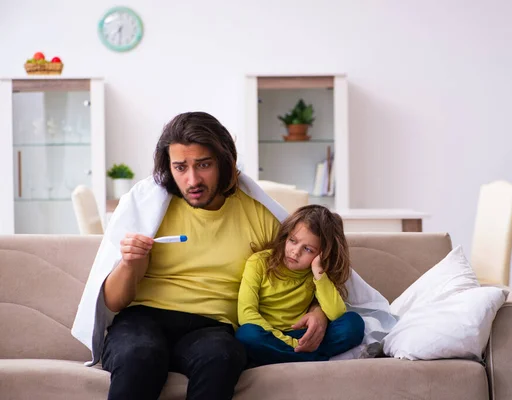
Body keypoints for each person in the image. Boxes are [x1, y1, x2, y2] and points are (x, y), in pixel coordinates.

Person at [97, 112, 332, 400]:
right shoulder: (150, 212)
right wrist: (129, 263)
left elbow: (302, 269)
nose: (192, 179)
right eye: (180, 167)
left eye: (204, 165)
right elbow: (113, 301)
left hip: (212, 327)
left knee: (223, 356)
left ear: (224, 163)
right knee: (140, 355)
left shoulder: (259, 216)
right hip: (141, 320)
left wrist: (318, 310)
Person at [236, 205, 365, 366]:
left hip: (304, 335)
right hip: (267, 335)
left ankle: (286, 357)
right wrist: (293, 344)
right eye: (292, 241)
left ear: (322, 254)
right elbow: (246, 313)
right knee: (246, 334)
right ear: (285, 236)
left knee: (353, 324)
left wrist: (318, 271)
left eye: (308, 249)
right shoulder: (259, 262)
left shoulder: (315, 273)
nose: (295, 252)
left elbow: (336, 313)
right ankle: (311, 358)